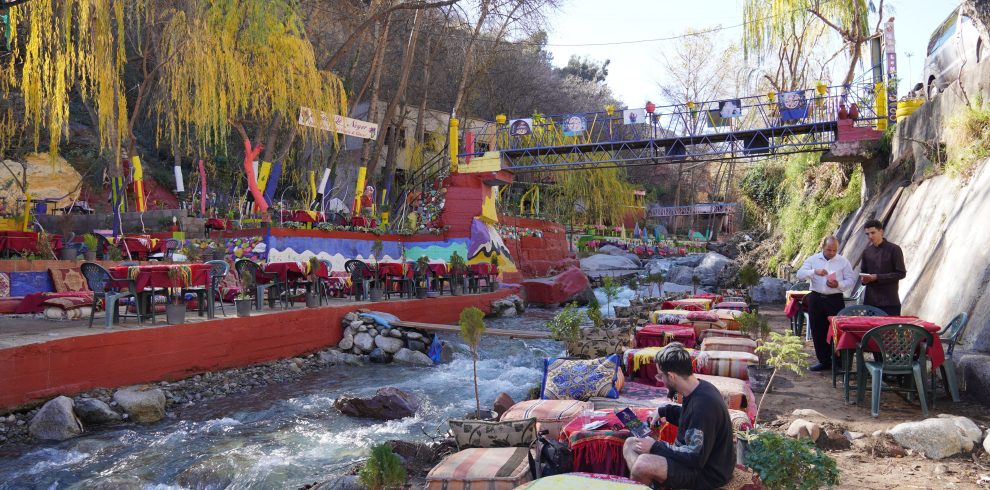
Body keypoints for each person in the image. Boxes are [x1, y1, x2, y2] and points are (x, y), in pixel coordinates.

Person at [622, 343, 735, 489]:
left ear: (671, 376)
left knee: (642, 465)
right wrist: (664, 411)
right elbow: (688, 417)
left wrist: (656, 446)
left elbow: (695, 457)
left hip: (707, 473)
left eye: (660, 376)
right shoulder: (698, 388)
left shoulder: (703, 406)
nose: (660, 380)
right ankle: (649, 485)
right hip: (693, 459)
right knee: (630, 444)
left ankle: (646, 482)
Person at [796, 235, 856, 371]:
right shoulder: (813, 259)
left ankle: (839, 362)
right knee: (818, 330)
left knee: (837, 331)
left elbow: (851, 279)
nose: (832, 253)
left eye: (834, 250)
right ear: (823, 247)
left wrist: (838, 284)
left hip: (835, 299)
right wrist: (813, 272)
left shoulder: (843, 261)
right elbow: (799, 274)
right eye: (829, 250)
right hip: (816, 298)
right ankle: (824, 361)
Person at [860, 219, 906, 316]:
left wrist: (877, 277)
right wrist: (864, 280)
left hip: (890, 302)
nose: (870, 236)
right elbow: (863, 273)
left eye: (873, 232)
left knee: (891, 331)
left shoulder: (894, 249)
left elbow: (901, 273)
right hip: (870, 302)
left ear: (881, 232)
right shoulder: (866, 252)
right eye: (867, 234)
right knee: (871, 331)